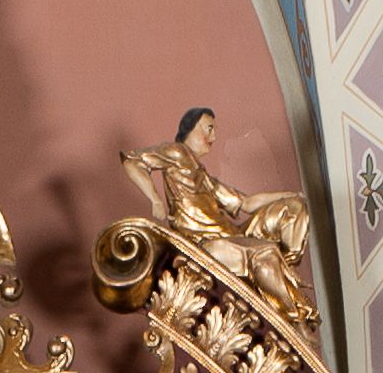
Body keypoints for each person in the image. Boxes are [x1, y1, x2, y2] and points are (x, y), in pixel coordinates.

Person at [121, 108, 317, 329]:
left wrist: (287, 196)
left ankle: (285, 266)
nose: (213, 137)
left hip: (231, 237)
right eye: (209, 128)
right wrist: (155, 200)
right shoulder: (176, 152)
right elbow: (132, 162)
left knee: (293, 209)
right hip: (205, 246)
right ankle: (293, 319)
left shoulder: (205, 179)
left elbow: (246, 203)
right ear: (191, 128)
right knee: (265, 252)